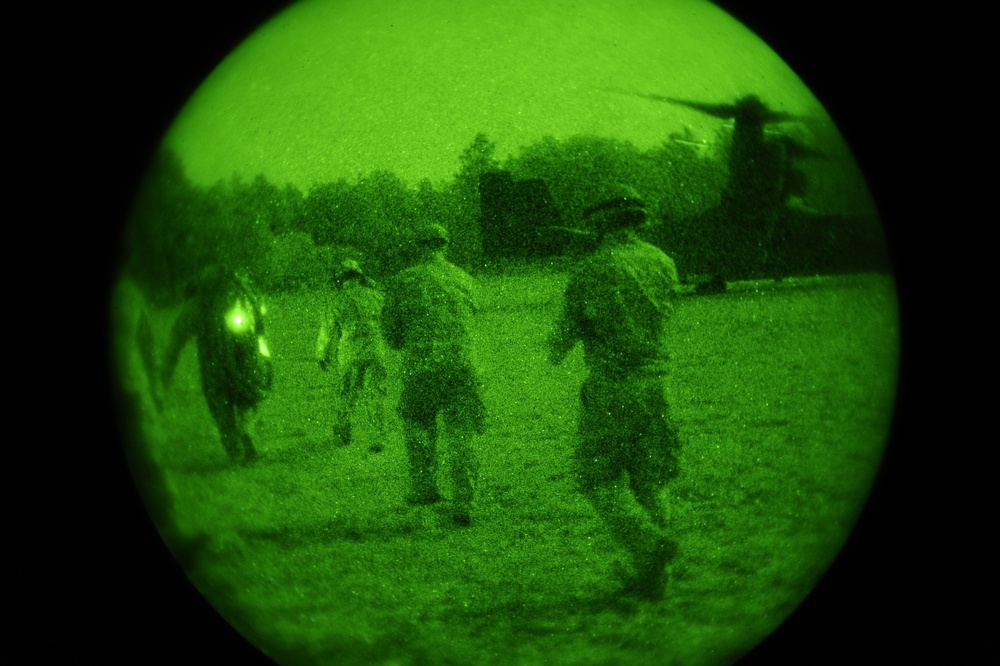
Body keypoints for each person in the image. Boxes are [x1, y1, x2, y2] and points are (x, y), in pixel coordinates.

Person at [548, 185, 683, 601]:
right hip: (658, 384)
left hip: (613, 385)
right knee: (649, 483)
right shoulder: (663, 261)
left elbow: (561, 343)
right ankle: (654, 582)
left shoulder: (592, 268)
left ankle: (648, 544)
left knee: (597, 477)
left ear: (601, 224)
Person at [381, 223, 485, 526]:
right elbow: (472, 317)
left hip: (421, 366)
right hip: (464, 366)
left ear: (419, 246)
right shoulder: (465, 279)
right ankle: (464, 501)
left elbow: (391, 335)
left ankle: (424, 489)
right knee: (463, 432)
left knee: (417, 423)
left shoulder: (403, 281)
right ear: (445, 245)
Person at [161, 265, 273, 465]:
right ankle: (239, 450)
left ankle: (241, 446)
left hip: (229, 363)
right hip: (224, 364)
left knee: (234, 406)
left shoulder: (228, 300)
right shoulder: (205, 304)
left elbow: (252, 326)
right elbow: (176, 341)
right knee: (232, 407)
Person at [315, 258, 390, 452]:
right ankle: (378, 436)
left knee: (347, 392)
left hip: (350, 352)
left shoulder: (336, 300)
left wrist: (322, 354)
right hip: (375, 349)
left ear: (340, 280)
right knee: (376, 393)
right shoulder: (376, 296)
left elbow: (327, 330)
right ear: (359, 277)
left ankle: (343, 432)